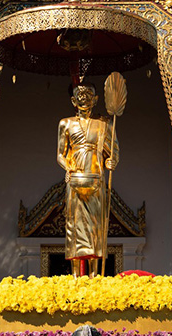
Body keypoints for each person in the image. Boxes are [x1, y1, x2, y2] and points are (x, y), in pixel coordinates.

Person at [56, 83, 119, 276]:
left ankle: (94, 275)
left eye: (88, 96)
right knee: (74, 226)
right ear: (73, 101)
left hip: (96, 180)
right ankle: (75, 275)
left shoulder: (103, 125)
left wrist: (110, 162)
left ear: (96, 99)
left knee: (95, 228)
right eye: (80, 97)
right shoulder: (66, 124)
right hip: (75, 179)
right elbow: (60, 154)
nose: (84, 100)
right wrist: (68, 167)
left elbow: (113, 152)